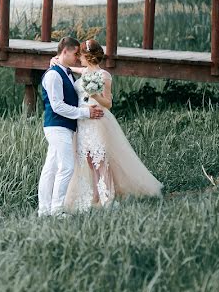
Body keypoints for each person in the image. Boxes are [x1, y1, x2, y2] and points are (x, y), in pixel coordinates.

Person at [54, 39, 163, 212]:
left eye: (80, 55)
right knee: (89, 160)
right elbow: (75, 69)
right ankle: (96, 195)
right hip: (82, 122)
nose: (78, 59)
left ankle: (107, 197)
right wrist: (58, 62)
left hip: (97, 120)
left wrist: (95, 96)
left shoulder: (104, 76)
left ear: (87, 56)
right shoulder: (84, 72)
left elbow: (109, 103)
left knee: (100, 160)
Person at [38, 36, 103, 217]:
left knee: (50, 169)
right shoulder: (53, 75)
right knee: (66, 167)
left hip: (63, 127)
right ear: (65, 51)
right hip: (57, 126)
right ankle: (57, 210)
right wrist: (85, 113)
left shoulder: (64, 71)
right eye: (75, 53)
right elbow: (57, 106)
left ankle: (44, 210)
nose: (77, 57)